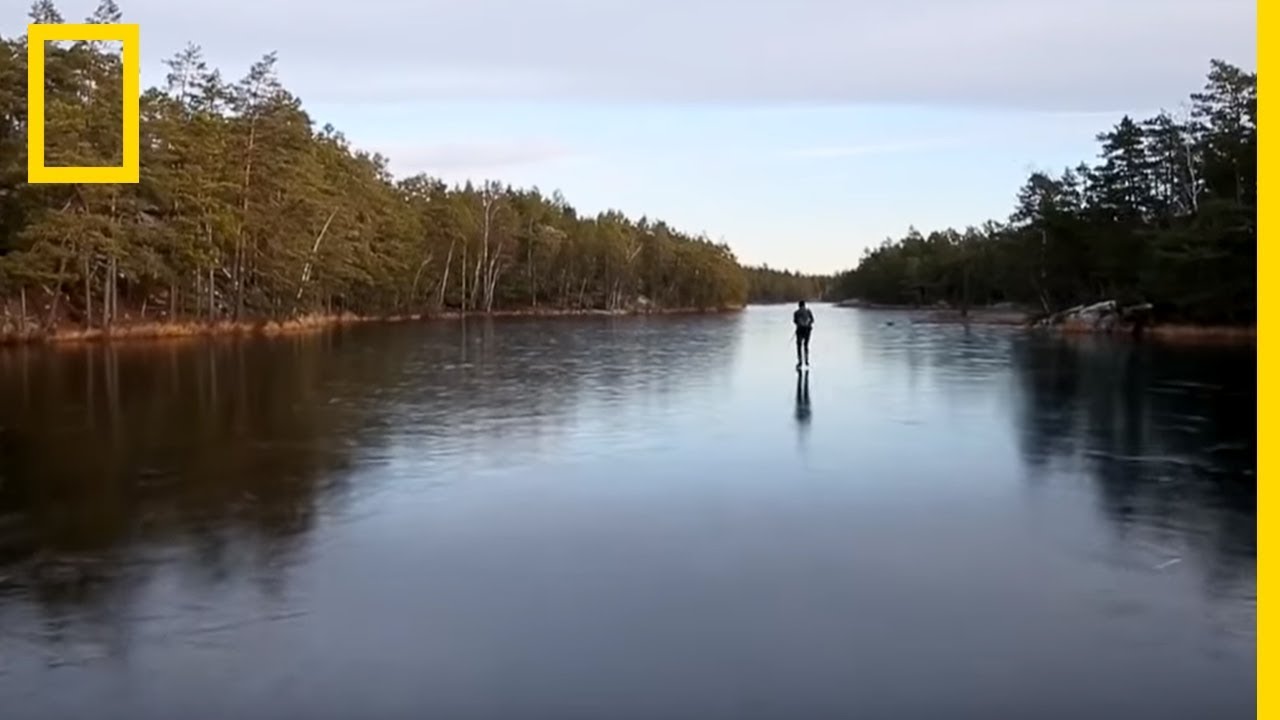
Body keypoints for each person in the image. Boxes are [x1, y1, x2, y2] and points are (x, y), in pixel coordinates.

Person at [793, 300, 814, 368]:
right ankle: (806, 361)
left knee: (799, 346)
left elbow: (795, 321)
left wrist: (800, 324)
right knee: (806, 345)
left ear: (799, 306)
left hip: (800, 331)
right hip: (808, 330)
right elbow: (812, 320)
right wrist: (808, 323)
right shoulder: (808, 311)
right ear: (804, 305)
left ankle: (800, 361)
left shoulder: (796, 312)